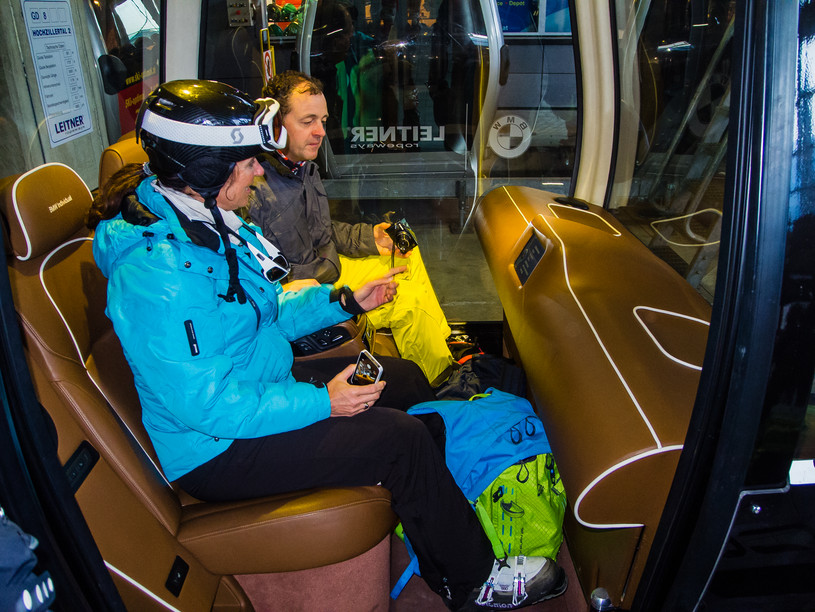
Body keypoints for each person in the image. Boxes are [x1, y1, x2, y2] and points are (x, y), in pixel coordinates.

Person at [88, 79, 565, 611]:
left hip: (258, 387)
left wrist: (345, 302)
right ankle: (474, 580)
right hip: (218, 447)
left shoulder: (203, 223)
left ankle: (434, 509)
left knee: (403, 378)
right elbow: (209, 406)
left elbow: (264, 312)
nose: (257, 171)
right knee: (398, 439)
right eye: (246, 162)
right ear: (205, 173)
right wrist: (325, 403)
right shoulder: (158, 276)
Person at [247, 70, 457, 385]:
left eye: (323, 120)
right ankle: (439, 382)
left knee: (404, 248)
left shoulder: (302, 167)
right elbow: (263, 286)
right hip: (306, 287)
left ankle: (443, 342)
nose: (320, 132)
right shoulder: (251, 188)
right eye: (308, 122)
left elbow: (318, 229)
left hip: (326, 266)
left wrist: (370, 238)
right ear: (275, 125)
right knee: (405, 299)